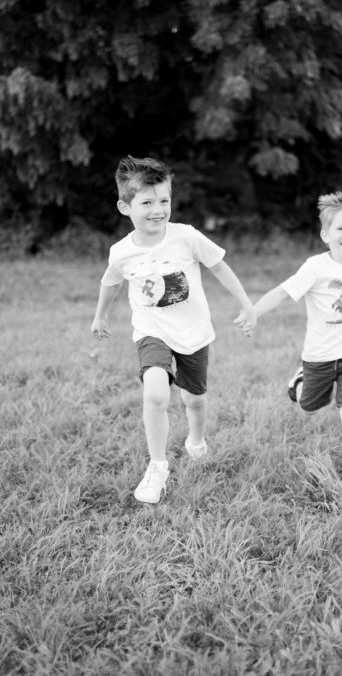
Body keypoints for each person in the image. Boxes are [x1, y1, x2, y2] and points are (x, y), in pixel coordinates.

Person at [91, 155, 257, 504]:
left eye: (163, 201)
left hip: (194, 332)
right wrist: (100, 316)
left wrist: (247, 304)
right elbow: (110, 283)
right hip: (152, 331)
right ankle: (157, 466)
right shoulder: (121, 253)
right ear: (125, 207)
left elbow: (220, 268)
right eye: (147, 202)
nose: (157, 209)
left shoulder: (186, 237)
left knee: (194, 399)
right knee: (155, 394)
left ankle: (196, 439)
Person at [234, 191, 342, 487]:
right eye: (340, 229)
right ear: (325, 234)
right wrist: (253, 312)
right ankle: (300, 381)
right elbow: (281, 292)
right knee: (309, 405)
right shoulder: (315, 267)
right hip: (320, 356)